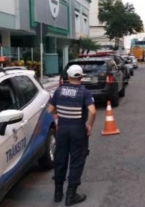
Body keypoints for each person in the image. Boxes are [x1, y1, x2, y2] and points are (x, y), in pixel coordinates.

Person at [47, 64, 96, 206]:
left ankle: (58, 193)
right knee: (76, 161)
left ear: (68, 76)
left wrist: (59, 115)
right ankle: (71, 195)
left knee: (60, 159)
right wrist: (89, 125)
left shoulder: (59, 91)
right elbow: (92, 111)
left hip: (62, 130)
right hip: (78, 131)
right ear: (81, 77)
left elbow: (50, 109)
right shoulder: (84, 92)